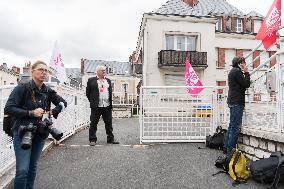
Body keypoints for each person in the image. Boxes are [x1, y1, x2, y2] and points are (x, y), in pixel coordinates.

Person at [4, 61, 67, 189]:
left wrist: (53, 111)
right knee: (22, 170)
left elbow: (63, 103)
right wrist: (31, 112)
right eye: (41, 69)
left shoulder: (47, 90)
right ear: (32, 71)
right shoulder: (22, 88)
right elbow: (9, 108)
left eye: (46, 70)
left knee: (32, 167)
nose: (44, 72)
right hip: (23, 132)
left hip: (40, 132)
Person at [86, 65, 119, 146]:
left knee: (109, 123)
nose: (104, 71)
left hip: (107, 105)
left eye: (105, 70)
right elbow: (88, 93)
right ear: (97, 71)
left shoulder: (108, 80)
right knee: (93, 123)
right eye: (102, 70)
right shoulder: (91, 80)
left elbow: (109, 92)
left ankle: (110, 139)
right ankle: (92, 139)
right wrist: (93, 101)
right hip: (96, 106)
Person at [224, 57, 250, 153]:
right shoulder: (237, 72)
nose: (245, 64)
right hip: (237, 102)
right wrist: (246, 72)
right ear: (239, 63)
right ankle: (230, 150)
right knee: (235, 127)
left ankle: (226, 147)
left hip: (232, 101)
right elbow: (246, 84)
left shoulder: (232, 71)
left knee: (231, 125)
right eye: (243, 62)